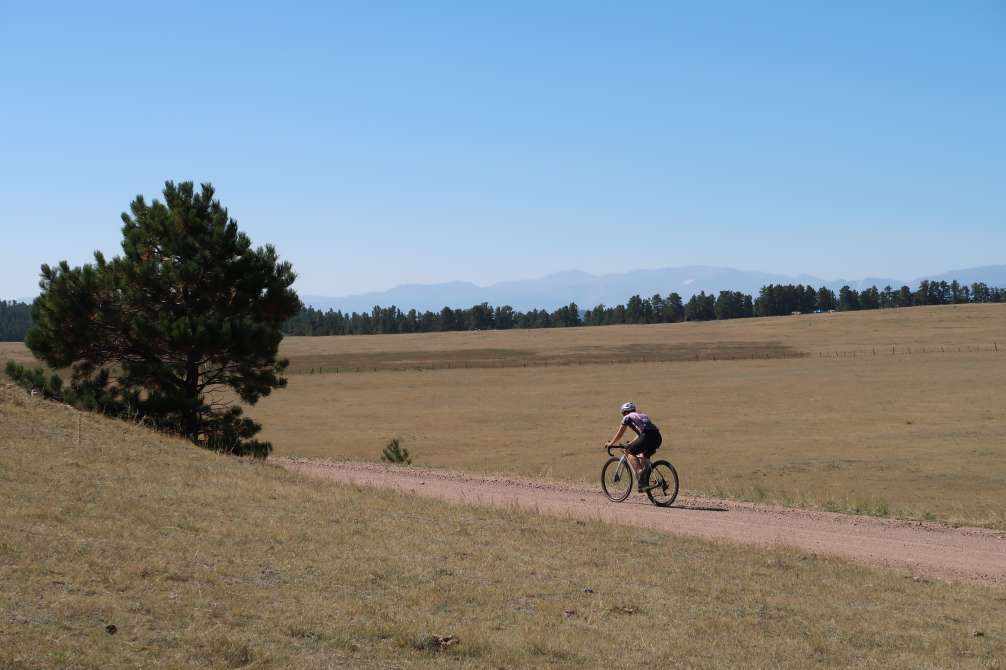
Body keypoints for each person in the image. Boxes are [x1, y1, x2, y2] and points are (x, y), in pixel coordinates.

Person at [605, 401, 662, 491]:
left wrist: (611, 443)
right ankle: (649, 481)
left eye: (622, 414)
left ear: (625, 412)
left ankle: (640, 473)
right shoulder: (643, 415)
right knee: (643, 456)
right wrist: (631, 443)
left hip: (647, 436)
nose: (623, 416)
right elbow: (641, 434)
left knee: (630, 453)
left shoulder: (627, 417)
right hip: (657, 437)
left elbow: (619, 434)